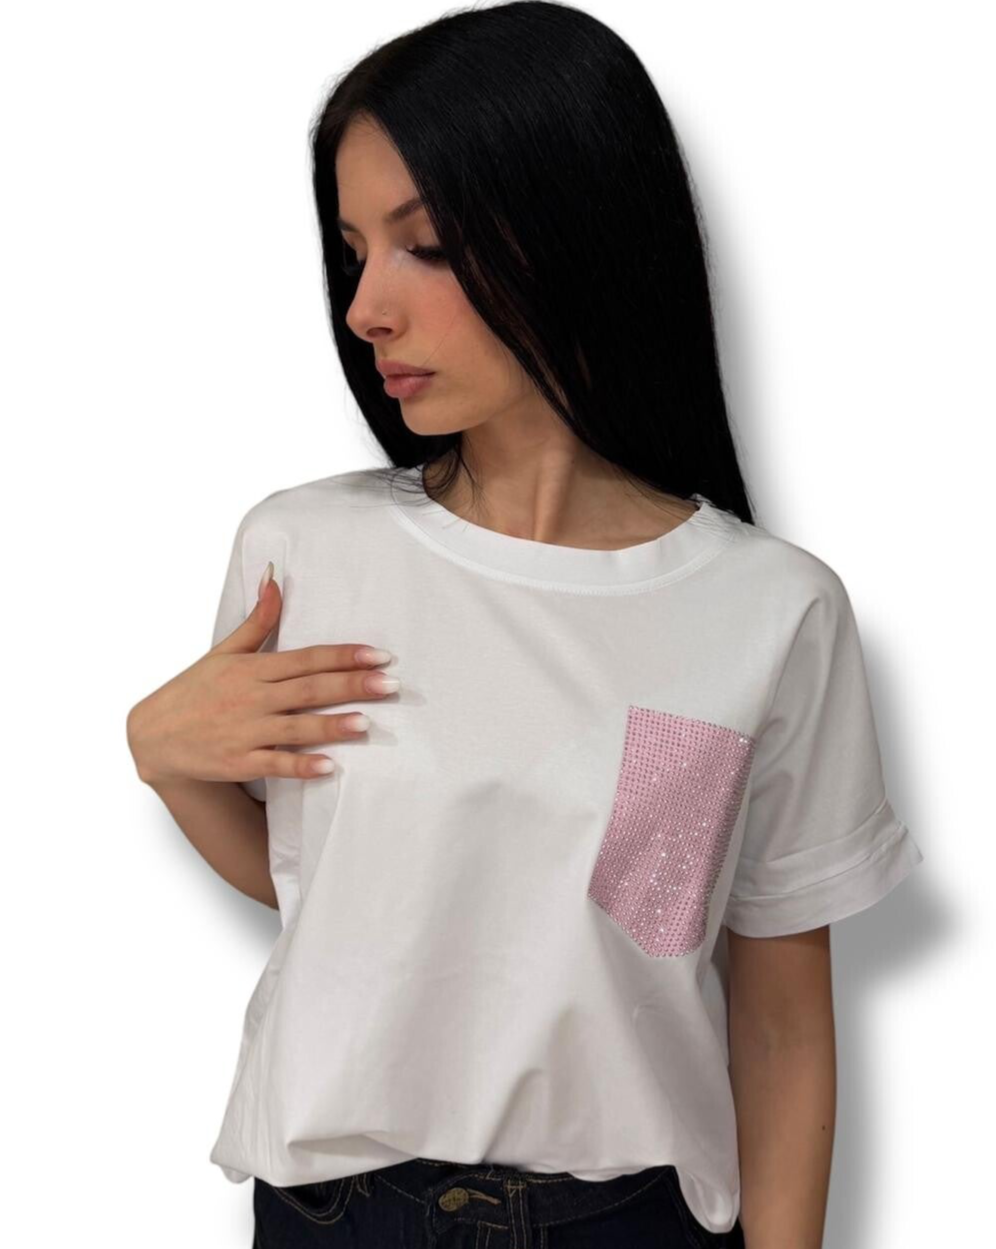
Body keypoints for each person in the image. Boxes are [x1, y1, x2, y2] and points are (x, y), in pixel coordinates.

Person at [126, 3, 924, 1245]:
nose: (365, 309)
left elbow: (777, 1021)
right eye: (353, 251)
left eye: (426, 246)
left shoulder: (763, 613)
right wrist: (167, 760)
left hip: (626, 1222)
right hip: (336, 1219)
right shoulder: (306, 553)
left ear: (579, 229)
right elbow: (337, 895)